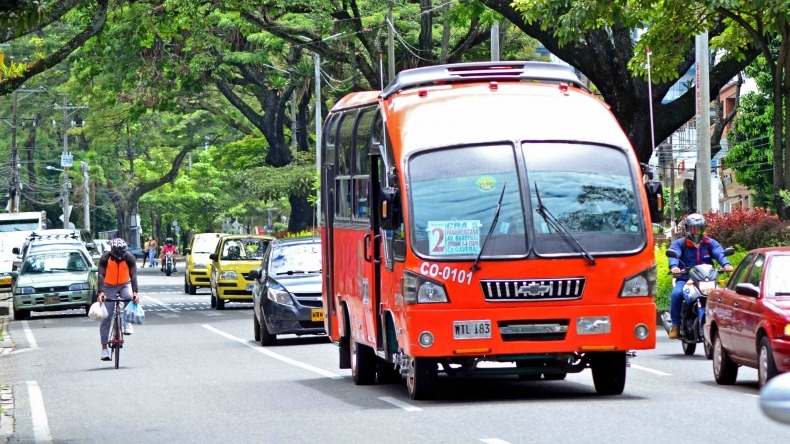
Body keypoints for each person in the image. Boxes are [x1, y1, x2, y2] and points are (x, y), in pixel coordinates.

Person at [667, 213, 733, 339]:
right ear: (687, 228)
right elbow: (674, 254)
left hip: (706, 280)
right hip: (686, 279)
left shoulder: (710, 243)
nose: (697, 232)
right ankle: (675, 325)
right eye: (693, 228)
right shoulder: (681, 244)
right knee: (676, 294)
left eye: (700, 228)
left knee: (723, 296)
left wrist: (726, 264)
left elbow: (719, 253)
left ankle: (723, 324)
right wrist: (674, 267)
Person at [97, 238, 140, 361]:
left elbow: (133, 275)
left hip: (124, 284)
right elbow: (100, 275)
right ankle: (104, 349)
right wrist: (101, 292)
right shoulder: (105, 258)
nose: (120, 257)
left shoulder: (129, 258)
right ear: (112, 252)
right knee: (106, 317)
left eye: (122, 254)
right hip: (108, 286)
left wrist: (135, 293)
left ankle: (127, 322)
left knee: (128, 297)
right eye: (117, 255)